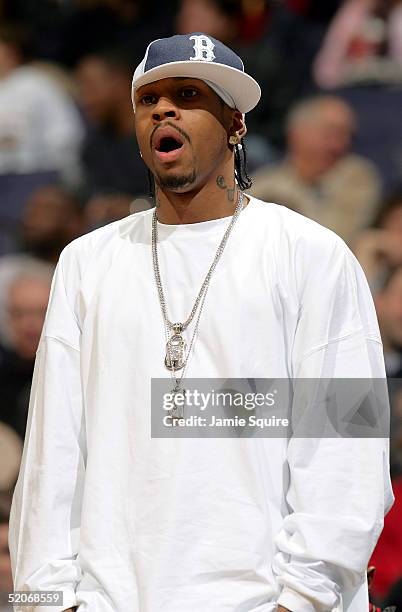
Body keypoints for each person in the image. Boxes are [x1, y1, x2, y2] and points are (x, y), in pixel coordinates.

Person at [8, 33, 393, 612]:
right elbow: (52, 456)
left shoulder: (311, 254)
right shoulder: (86, 264)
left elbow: (347, 446)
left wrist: (305, 599)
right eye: (149, 99)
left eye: (186, 94)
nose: (163, 109)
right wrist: (43, 600)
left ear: (236, 123)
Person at [249, 95, 382, 246]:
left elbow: (337, 239)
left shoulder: (356, 178)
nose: (340, 145)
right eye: (331, 133)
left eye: (348, 135)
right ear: (297, 134)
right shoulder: (264, 183)